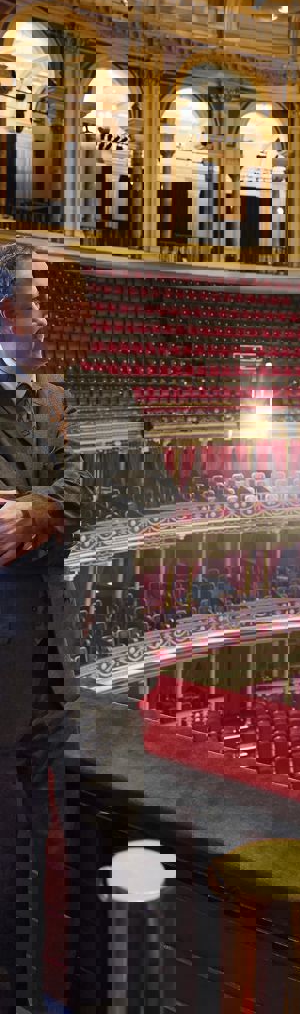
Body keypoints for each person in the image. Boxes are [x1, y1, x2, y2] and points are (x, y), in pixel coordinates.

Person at [0, 241, 85, 1013]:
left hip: (46, 660)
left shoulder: (49, 394)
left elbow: (89, 480)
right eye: (35, 304)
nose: (46, 318)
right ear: (4, 314)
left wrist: (40, 507)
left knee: (31, 853)